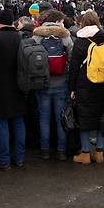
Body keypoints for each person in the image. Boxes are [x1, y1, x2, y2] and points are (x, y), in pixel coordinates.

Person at [0, 10, 27, 170]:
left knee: (1, 124)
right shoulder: (20, 37)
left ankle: (3, 160)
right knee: (18, 122)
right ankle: (20, 157)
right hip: (19, 86)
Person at [68, 11, 104, 164]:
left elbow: (73, 67)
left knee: (84, 119)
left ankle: (85, 153)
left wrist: (72, 88)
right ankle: (99, 152)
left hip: (84, 85)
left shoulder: (80, 42)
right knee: (101, 117)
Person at [31, 10, 74, 161]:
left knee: (43, 118)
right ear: (58, 21)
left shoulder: (37, 35)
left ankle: (44, 150)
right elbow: (72, 57)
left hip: (42, 82)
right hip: (61, 82)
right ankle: (61, 151)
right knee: (60, 118)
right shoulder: (65, 36)